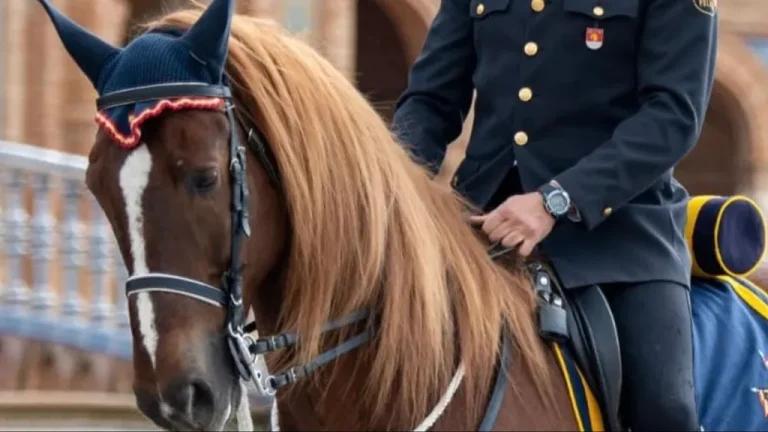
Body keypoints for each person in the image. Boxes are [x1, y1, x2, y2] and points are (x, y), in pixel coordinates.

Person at [391, 0, 718, 430]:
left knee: (665, 405)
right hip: (481, 223)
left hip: (619, 236)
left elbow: (673, 116)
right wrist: (390, 192)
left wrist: (555, 201)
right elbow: (431, 101)